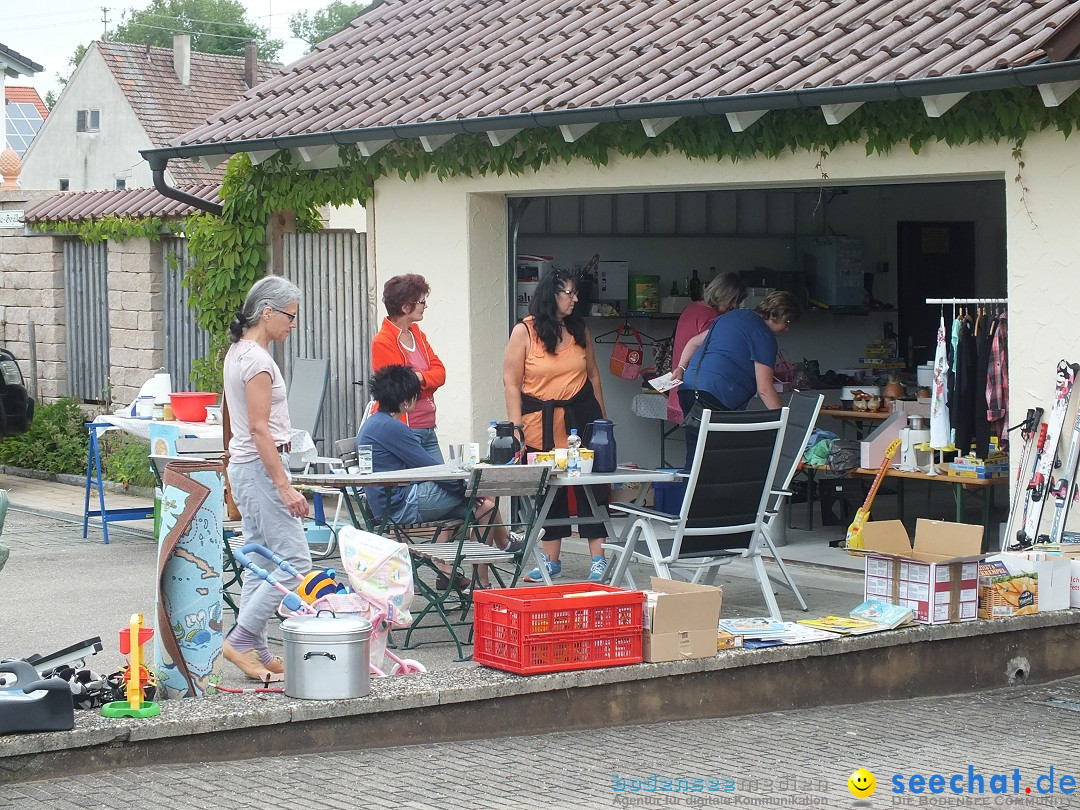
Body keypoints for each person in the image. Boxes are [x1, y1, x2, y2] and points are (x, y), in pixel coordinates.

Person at [357, 365, 519, 590]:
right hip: (402, 505)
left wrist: (466, 490)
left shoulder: (375, 424)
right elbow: (431, 468)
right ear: (405, 401)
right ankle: (502, 546)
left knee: (485, 508)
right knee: (481, 490)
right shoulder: (392, 428)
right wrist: (465, 490)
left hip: (390, 504)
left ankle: (481, 582)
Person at [222, 275, 310, 683]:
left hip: (246, 466)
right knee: (294, 564)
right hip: (260, 467)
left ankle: (255, 648)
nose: (293, 324)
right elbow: (259, 428)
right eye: (290, 316)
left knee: (259, 560)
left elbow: (236, 422)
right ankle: (240, 642)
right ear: (267, 312)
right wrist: (284, 485)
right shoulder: (257, 361)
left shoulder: (238, 353)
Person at [502, 268, 610, 583]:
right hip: (540, 421)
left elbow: (593, 375)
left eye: (577, 293)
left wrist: (603, 422)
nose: (576, 299)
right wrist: (516, 426)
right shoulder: (524, 331)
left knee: (591, 487)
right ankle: (551, 560)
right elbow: (511, 382)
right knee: (549, 490)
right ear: (552, 295)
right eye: (570, 293)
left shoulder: (579, 329)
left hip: (581, 416)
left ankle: (598, 558)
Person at [671, 290, 800, 468]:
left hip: (688, 390)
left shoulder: (732, 317)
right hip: (716, 397)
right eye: (787, 322)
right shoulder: (764, 335)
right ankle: (714, 495)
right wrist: (785, 423)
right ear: (776, 315)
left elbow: (693, 341)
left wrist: (681, 368)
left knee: (696, 458)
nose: (787, 329)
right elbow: (764, 389)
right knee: (721, 461)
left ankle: (689, 495)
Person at [371, 274, 446, 460]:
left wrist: (419, 378)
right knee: (432, 485)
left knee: (447, 484)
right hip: (405, 430)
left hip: (428, 428)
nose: (425, 306)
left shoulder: (417, 334)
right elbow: (400, 389)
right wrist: (425, 379)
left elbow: (441, 373)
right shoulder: (383, 341)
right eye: (422, 301)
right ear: (406, 307)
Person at [667, 273, 747, 423]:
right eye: (734, 300)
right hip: (698, 391)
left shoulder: (692, 307)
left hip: (679, 389)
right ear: (723, 294)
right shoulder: (711, 317)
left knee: (695, 442)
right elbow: (715, 355)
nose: (735, 306)